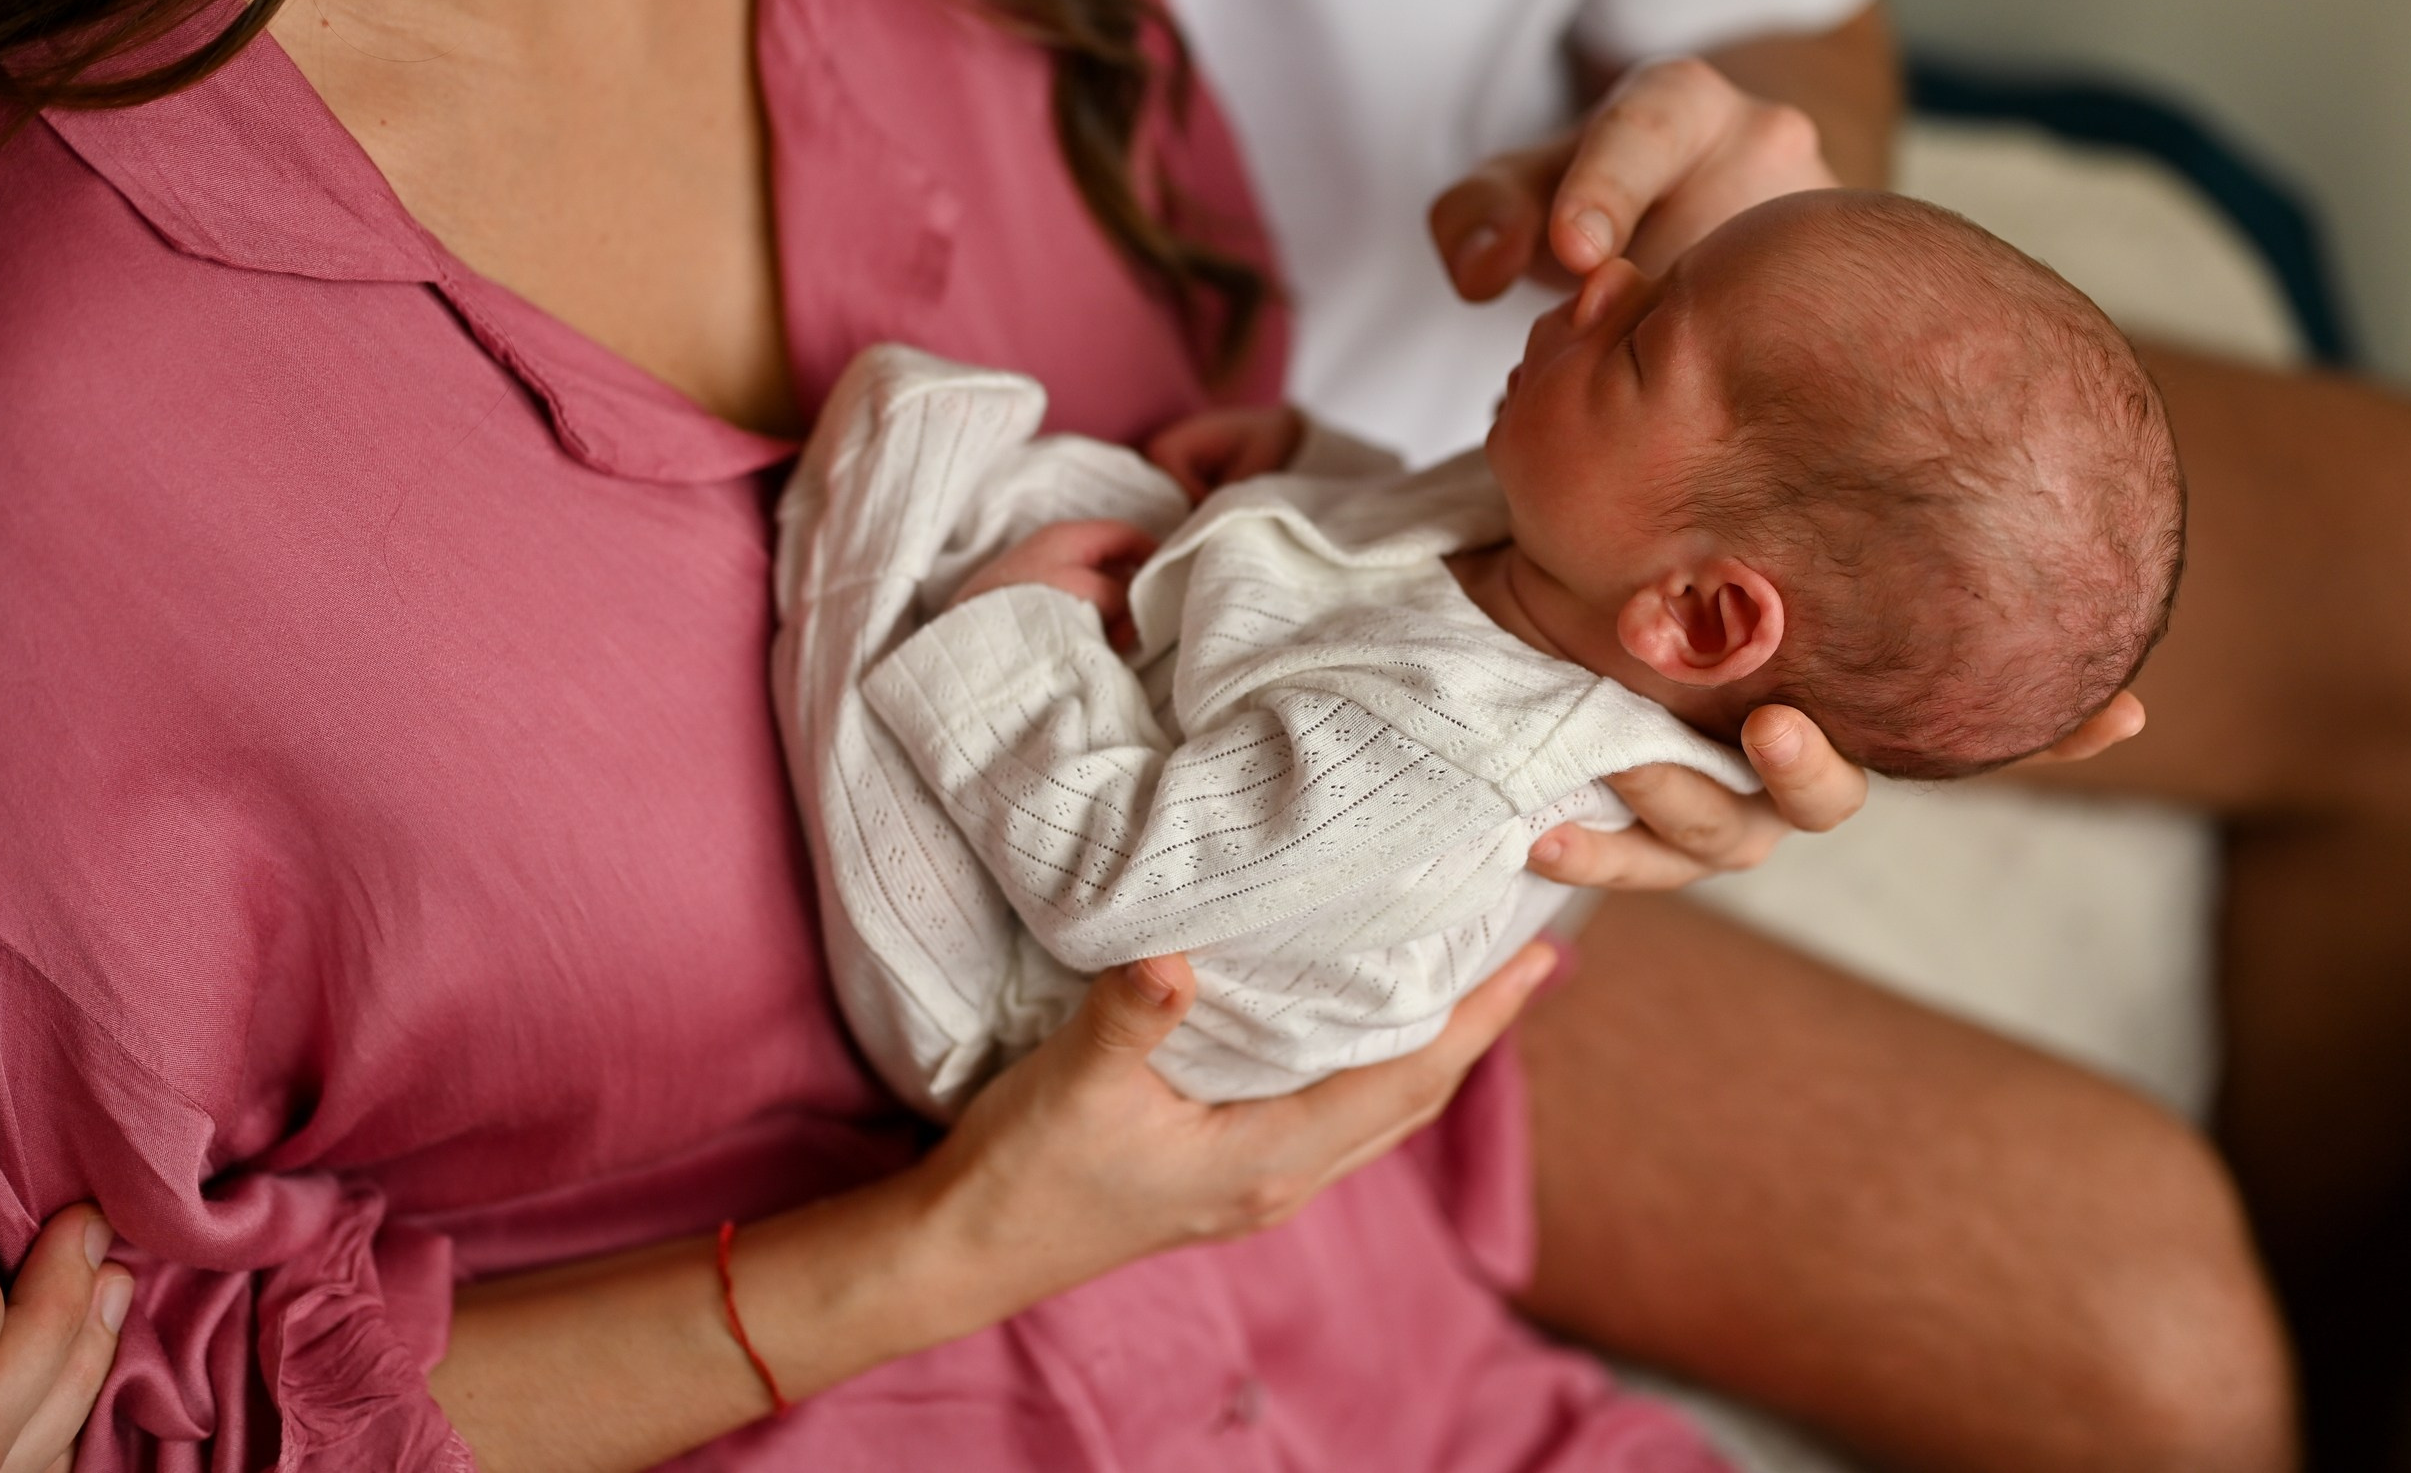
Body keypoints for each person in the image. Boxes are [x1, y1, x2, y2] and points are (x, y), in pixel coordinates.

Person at [0, 0, 2289, 1472]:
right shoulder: (74, 424)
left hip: (1374, 1353)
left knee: (2156, 1307)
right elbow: (102, 1410)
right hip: (858, 1369)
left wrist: (1585, 591)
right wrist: (929, 1267)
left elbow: (1251, 541)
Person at [1059, 0, 2411, 1451]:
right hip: (1369, 517)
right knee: (2154, 1334)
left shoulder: (1645, 359)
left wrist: (1741, 208)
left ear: (1707, 630)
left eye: (1636, 319)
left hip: (1663, 437)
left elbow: (1794, 9)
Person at [786, 189, 2181, 1111]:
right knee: (1038, 496)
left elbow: (1115, 883)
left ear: (1698, 618)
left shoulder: (1442, 766)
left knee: (912, 497)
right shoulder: (1584, 556)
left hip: (1020, 1001)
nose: (1600, 281)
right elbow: (1411, 563)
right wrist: (1306, 473)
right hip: (1166, 818)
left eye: (1640, 343)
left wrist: (1021, 635)